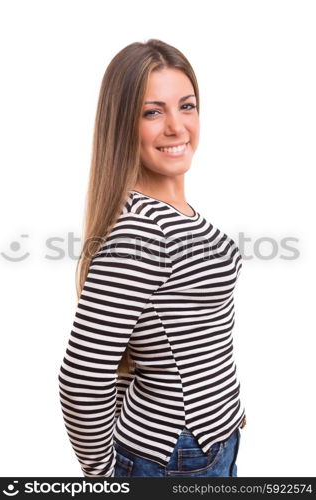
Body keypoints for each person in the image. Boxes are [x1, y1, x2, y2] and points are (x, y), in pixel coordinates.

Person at [58, 38, 247, 478]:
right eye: (152, 112)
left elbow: (168, 336)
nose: (177, 127)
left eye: (187, 106)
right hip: (174, 455)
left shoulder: (174, 215)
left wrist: (224, 416)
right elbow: (83, 375)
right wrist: (105, 473)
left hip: (206, 442)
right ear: (123, 123)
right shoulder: (144, 230)